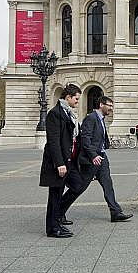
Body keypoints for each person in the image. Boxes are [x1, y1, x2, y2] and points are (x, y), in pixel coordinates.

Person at [60, 95, 133, 223]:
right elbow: (85, 139)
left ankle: (115, 212)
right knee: (79, 187)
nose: (111, 108)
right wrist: (93, 155)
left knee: (108, 185)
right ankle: (59, 211)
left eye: (112, 106)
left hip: (102, 158)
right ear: (101, 105)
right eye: (109, 106)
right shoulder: (91, 118)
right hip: (91, 160)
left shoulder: (101, 119)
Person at [39, 83, 82, 238]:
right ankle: (53, 228)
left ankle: (58, 216)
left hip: (69, 161)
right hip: (59, 163)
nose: (77, 101)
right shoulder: (55, 113)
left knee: (78, 185)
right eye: (76, 99)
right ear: (68, 97)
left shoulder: (68, 113)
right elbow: (54, 141)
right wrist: (60, 164)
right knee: (55, 195)